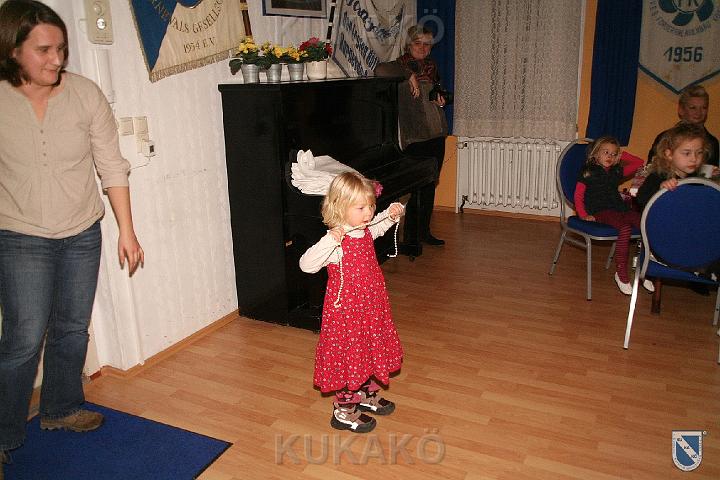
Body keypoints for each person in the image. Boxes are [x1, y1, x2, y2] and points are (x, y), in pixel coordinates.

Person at [0, 0, 144, 474]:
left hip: (82, 231)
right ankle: (3, 434)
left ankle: (61, 408)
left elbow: (111, 165)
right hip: (19, 234)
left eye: (61, 48)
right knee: (23, 339)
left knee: (71, 328)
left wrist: (126, 230)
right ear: (12, 49)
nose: (56, 59)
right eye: (43, 50)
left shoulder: (85, 94)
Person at [299, 172, 404, 433]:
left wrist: (390, 216)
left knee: (367, 351)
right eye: (361, 208)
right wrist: (329, 240)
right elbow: (306, 265)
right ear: (340, 208)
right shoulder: (336, 243)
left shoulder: (362, 231)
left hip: (370, 308)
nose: (369, 213)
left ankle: (365, 395)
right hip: (346, 314)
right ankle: (344, 410)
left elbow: (376, 228)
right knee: (350, 357)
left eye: (371, 206)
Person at [375, 25, 449, 246]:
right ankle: (410, 239)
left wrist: (441, 98)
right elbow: (379, 70)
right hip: (415, 138)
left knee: (429, 186)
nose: (423, 48)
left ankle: (424, 232)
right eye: (418, 43)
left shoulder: (431, 67)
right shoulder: (399, 66)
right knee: (414, 188)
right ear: (409, 45)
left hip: (437, 133)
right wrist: (409, 75)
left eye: (427, 44)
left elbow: (433, 94)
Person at [574, 136, 654, 295]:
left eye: (613, 154)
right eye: (606, 152)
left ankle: (645, 270)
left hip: (620, 208)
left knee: (646, 224)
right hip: (601, 210)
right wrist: (583, 215)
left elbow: (639, 162)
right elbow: (578, 195)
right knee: (625, 228)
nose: (610, 156)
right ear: (596, 154)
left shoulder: (616, 171)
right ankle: (621, 273)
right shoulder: (588, 172)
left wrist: (621, 155)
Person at [637, 123, 712, 208]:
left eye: (699, 153)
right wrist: (660, 190)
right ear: (669, 154)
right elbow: (641, 199)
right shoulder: (658, 176)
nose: (694, 159)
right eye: (687, 153)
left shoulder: (696, 180)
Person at [648, 84, 718, 167]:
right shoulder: (666, 138)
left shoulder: (712, 142)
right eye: (692, 108)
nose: (698, 112)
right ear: (681, 110)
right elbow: (651, 168)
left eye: (704, 108)